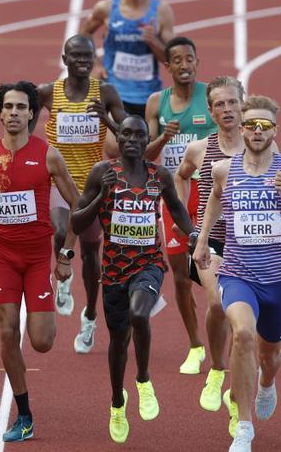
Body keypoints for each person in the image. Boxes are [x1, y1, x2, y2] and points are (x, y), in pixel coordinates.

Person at [193, 95, 281, 452]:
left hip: (278, 280)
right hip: (237, 274)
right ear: (242, 128)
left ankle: (267, 382)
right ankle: (244, 426)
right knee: (244, 335)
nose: (257, 131)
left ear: (274, 130)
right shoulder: (224, 169)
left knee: (271, 354)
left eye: (264, 125)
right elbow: (214, 200)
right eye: (251, 125)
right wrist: (202, 241)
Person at [0, 81, 79, 442]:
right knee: (7, 331)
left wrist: (66, 255)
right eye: (7, 107)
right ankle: (24, 414)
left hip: (39, 257)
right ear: (0, 112)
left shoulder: (48, 155)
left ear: (31, 114)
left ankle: (48, 307)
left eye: (20, 107)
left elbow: (79, 206)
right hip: (3, 257)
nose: (13, 113)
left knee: (41, 342)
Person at [71, 115, 195, 444]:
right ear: (118, 137)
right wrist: (100, 197)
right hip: (113, 270)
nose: (132, 139)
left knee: (140, 314)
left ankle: (143, 380)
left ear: (146, 140)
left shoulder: (160, 175)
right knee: (118, 343)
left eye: (139, 135)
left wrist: (193, 233)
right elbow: (77, 221)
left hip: (149, 264)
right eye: (126, 133)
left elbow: (178, 210)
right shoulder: (102, 172)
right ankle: (116, 402)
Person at [38, 34, 126, 354]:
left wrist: (107, 121)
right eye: (75, 56)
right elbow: (21, 130)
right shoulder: (48, 93)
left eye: (88, 57)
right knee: (61, 230)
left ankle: (89, 315)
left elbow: (133, 135)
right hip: (59, 181)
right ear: (64, 59)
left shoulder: (106, 92)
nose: (82, 62)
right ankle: (62, 273)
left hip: (93, 185)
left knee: (92, 254)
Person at [176, 76, 258, 411]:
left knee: (247, 326)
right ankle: (217, 368)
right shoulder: (199, 149)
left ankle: (240, 388)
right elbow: (180, 176)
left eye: (232, 102)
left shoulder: (259, 146)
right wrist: (188, 221)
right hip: (211, 241)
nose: (227, 109)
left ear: (244, 105)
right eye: (220, 104)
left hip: (251, 243)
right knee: (216, 303)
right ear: (210, 111)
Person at [143, 37, 217, 376]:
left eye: (190, 58)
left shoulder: (212, 96)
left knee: (219, 270)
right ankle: (195, 346)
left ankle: (227, 330)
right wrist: (164, 137)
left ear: (197, 62)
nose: (184, 65)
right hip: (173, 196)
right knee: (180, 275)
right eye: (177, 60)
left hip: (210, 194)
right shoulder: (157, 102)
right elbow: (146, 155)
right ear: (167, 66)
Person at [81, 0, 175, 116]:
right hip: (114, 93)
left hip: (149, 94)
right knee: (115, 140)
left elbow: (171, 58)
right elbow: (85, 33)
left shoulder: (161, 11)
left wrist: (153, 42)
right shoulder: (107, 8)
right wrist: (96, 64)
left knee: (146, 140)